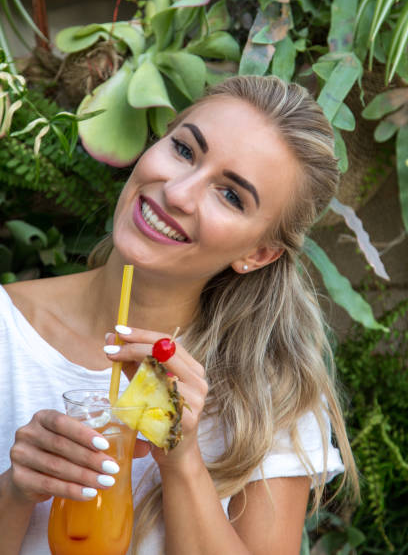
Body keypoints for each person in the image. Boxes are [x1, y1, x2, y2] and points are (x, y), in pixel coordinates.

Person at [0, 75, 358, 555]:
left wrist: (181, 457)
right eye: (185, 150)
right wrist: (15, 490)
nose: (179, 193)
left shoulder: (270, 392)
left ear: (259, 253)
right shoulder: (7, 332)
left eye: (230, 195)